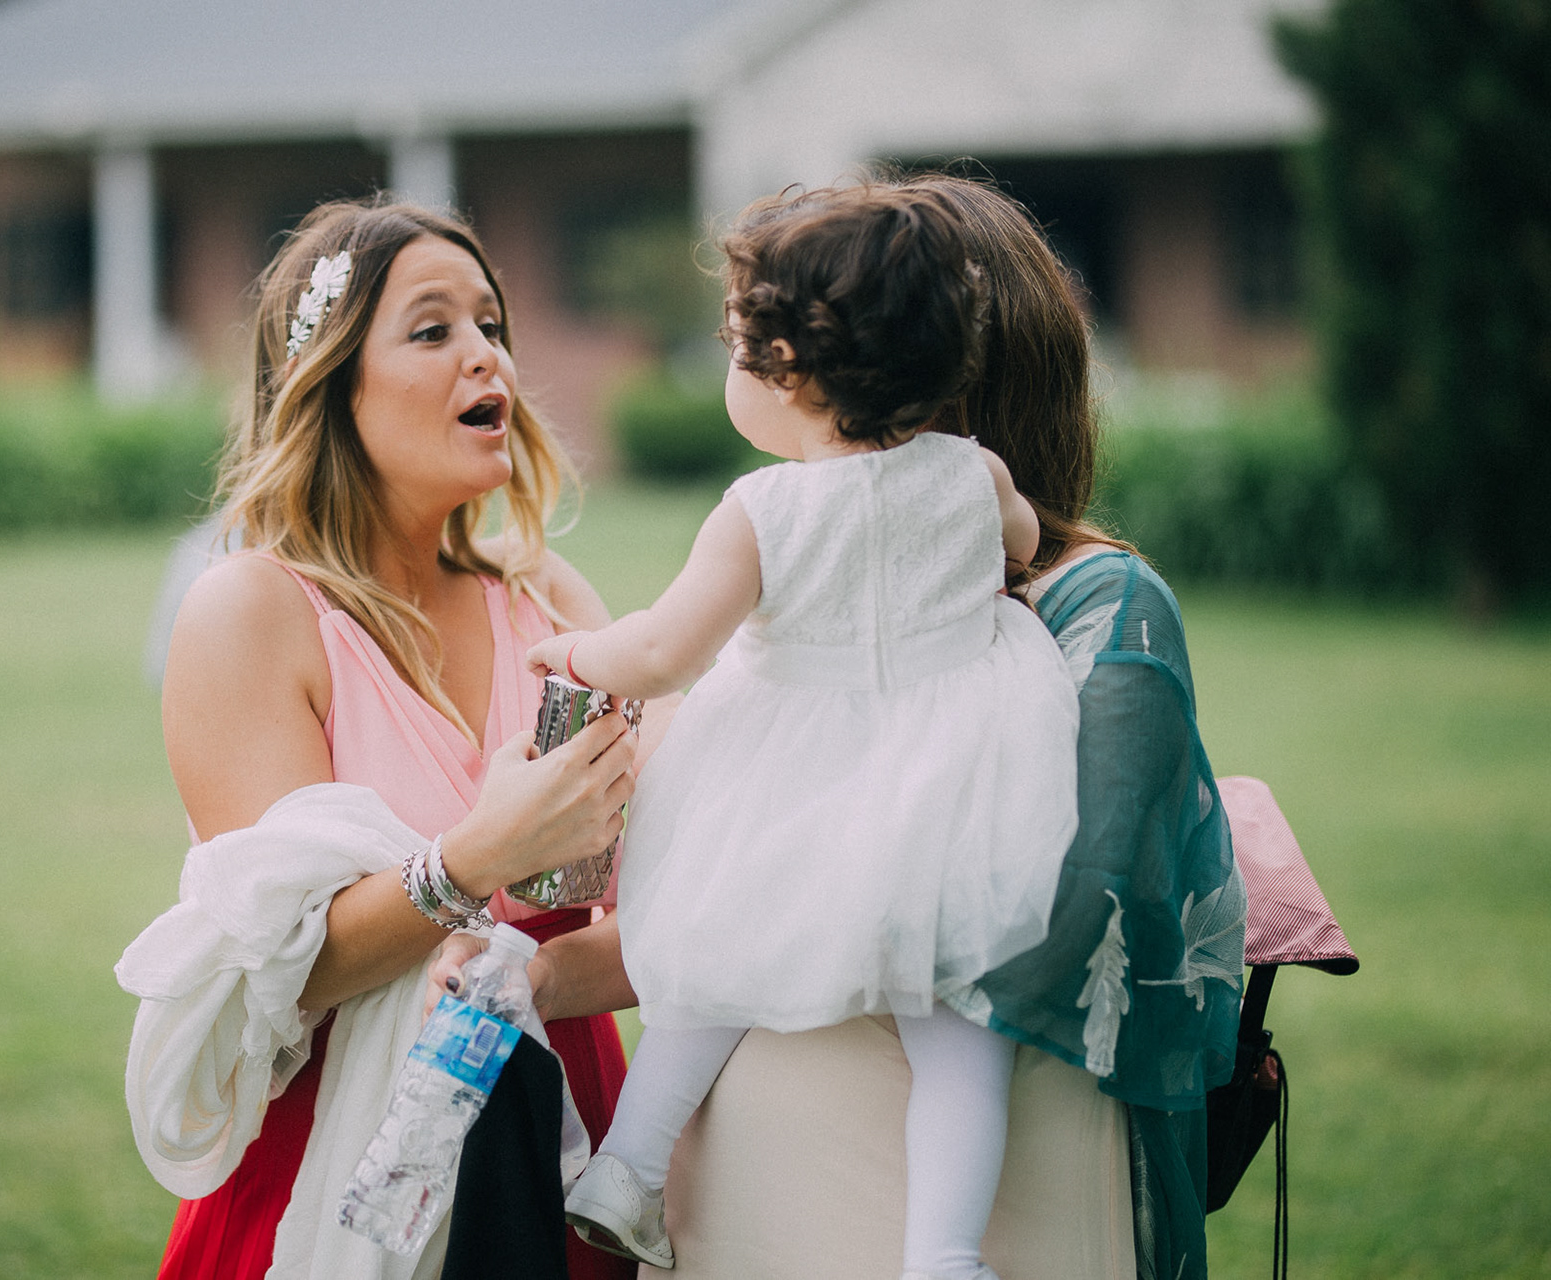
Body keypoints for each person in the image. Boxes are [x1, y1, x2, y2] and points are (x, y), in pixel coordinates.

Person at [649, 172, 1243, 1280]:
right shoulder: (807, 581)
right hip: (770, 1159)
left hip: (980, 1171)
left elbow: (1073, 901)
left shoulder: (1102, 604)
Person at [523, 184, 1083, 1280]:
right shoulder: (975, 474)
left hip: (790, 788)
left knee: (711, 962)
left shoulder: (761, 512)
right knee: (961, 1036)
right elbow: (1022, 544)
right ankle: (944, 1255)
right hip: (945, 789)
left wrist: (577, 655)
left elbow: (664, 652)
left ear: (786, 369)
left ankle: (628, 1166)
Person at [115, 198, 652, 1280]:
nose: (485, 355)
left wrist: (542, 978)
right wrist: (478, 857)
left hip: (561, 1132)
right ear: (330, 383)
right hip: (341, 1167)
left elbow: (670, 910)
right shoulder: (251, 613)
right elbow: (278, 969)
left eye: (491, 325)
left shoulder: (548, 599)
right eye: (433, 329)